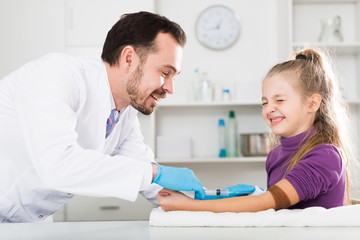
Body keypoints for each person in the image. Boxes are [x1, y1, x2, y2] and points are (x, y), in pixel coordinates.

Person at [0, 11, 206, 223]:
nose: (170, 88)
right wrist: (155, 172)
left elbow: (148, 177)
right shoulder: (56, 76)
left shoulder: (124, 113)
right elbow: (58, 165)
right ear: (129, 58)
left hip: (31, 220)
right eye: (165, 73)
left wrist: (211, 196)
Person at [157, 48, 352, 212]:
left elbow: (267, 202)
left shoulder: (326, 156)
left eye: (280, 100)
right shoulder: (275, 155)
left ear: (312, 103)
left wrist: (188, 205)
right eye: (264, 102)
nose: (269, 108)